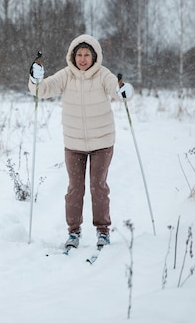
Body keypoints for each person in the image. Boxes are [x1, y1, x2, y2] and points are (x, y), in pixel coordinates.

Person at [28, 34, 133, 250]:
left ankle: (103, 231)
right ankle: (73, 232)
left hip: (102, 143)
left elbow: (118, 90)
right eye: (79, 55)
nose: (82, 59)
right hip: (74, 143)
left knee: (98, 187)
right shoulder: (66, 75)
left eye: (87, 55)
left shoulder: (102, 75)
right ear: (72, 56)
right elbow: (42, 90)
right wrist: (34, 78)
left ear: (94, 57)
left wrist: (124, 90)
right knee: (75, 188)